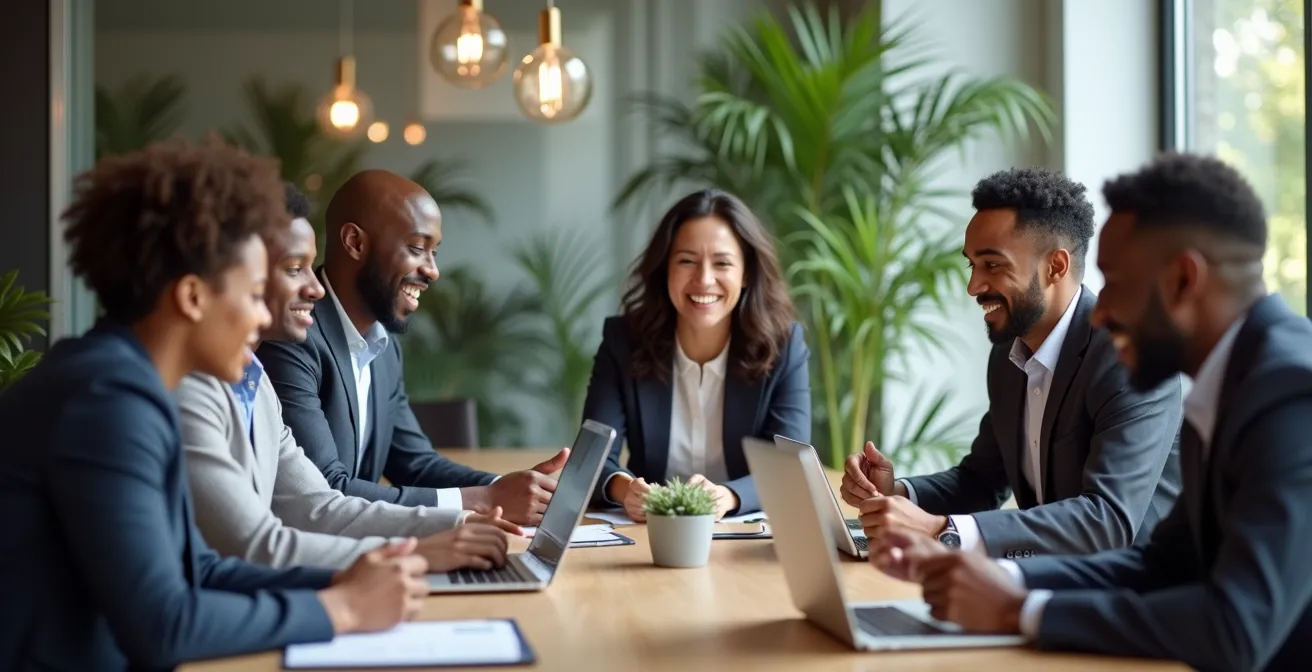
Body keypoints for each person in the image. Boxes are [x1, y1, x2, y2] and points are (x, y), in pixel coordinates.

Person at [0, 140, 430, 671]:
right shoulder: (106, 402)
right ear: (193, 298)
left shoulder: (124, 384)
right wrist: (342, 608)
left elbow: (197, 567)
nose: (260, 319)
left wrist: (365, 575)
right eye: (253, 294)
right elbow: (164, 625)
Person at [872, 153, 1312, 672]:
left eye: (1116, 284)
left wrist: (1020, 609)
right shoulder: (1231, 380)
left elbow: (1236, 629)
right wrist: (1003, 582)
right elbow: (1162, 564)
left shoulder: (1291, 396)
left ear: (1182, 280)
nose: (1098, 312)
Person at [175, 181, 518, 571]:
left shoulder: (255, 380)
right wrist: (421, 553)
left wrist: (463, 521)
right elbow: (255, 546)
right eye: (292, 269)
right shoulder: (187, 390)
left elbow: (317, 505)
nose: (315, 287)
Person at [841, 167, 1182, 558]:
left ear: (1055, 266)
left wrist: (942, 530)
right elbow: (982, 481)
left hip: (1137, 599)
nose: (973, 287)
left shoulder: (1131, 357)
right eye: (972, 265)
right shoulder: (1008, 356)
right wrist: (896, 492)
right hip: (1051, 584)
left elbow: (1107, 521)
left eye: (993, 265)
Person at [257, 169, 567, 526]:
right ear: (356, 243)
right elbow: (327, 492)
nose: (433, 271)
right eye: (418, 249)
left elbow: (416, 465)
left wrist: (511, 489)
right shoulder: (291, 341)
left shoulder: (383, 348)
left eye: (434, 252)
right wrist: (484, 501)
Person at [582, 188, 810, 521]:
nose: (704, 280)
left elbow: (792, 467)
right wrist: (625, 489)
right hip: (649, 533)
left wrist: (729, 496)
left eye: (722, 263)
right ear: (665, 269)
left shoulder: (783, 345)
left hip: (743, 539)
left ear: (746, 273)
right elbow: (593, 460)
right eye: (687, 261)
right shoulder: (624, 341)